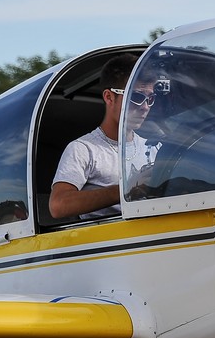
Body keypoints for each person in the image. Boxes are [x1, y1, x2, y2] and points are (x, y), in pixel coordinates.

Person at [49, 53, 159, 220]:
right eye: (136, 97)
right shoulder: (83, 149)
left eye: (150, 99)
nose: (145, 107)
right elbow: (58, 205)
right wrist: (126, 189)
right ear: (109, 97)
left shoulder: (155, 149)